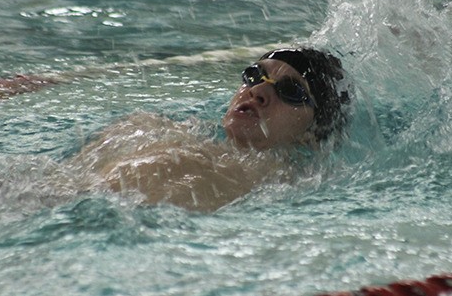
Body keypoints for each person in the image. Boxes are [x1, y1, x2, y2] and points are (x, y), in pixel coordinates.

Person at [73, 47, 351, 211]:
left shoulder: (288, 186)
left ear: (312, 133)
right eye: (254, 75)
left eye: (290, 91)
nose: (259, 90)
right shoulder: (149, 126)